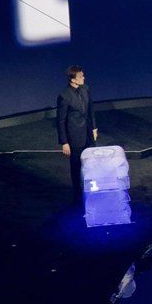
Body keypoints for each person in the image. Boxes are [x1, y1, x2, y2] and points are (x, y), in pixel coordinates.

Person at [57, 64, 97, 204]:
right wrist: (64, 142)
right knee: (76, 166)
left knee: (91, 162)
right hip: (74, 136)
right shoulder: (64, 96)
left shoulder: (85, 89)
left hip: (88, 133)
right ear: (73, 80)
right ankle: (77, 193)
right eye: (80, 76)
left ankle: (91, 187)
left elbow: (91, 109)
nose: (83, 77)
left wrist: (94, 128)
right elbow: (61, 120)